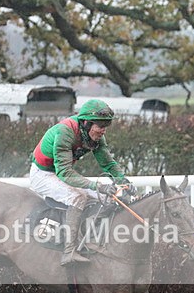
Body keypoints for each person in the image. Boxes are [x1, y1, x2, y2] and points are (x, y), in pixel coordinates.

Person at [29, 99, 134, 265]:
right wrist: (97, 186)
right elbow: (64, 173)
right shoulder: (65, 132)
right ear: (86, 123)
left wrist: (123, 181)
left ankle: (92, 239)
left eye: (105, 126)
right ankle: (69, 252)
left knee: (107, 197)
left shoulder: (96, 138)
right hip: (43, 175)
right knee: (78, 198)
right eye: (100, 126)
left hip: (61, 173)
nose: (103, 131)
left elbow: (108, 164)